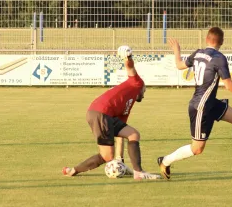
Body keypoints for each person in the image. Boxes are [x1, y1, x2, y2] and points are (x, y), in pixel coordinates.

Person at [157, 27, 232, 180]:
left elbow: (180, 65)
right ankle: (165, 160)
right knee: (197, 149)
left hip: (210, 103)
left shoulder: (198, 53)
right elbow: (229, 86)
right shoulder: (219, 58)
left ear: (207, 39)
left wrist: (176, 50)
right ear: (222, 42)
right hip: (201, 106)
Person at [63, 45, 161, 180]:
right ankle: (74, 170)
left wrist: (120, 159)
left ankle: (138, 172)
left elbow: (120, 136)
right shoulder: (137, 83)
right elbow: (130, 68)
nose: (144, 94)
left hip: (102, 114)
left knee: (133, 134)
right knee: (106, 156)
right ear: (142, 87)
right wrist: (128, 57)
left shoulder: (126, 109)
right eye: (145, 91)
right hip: (100, 112)